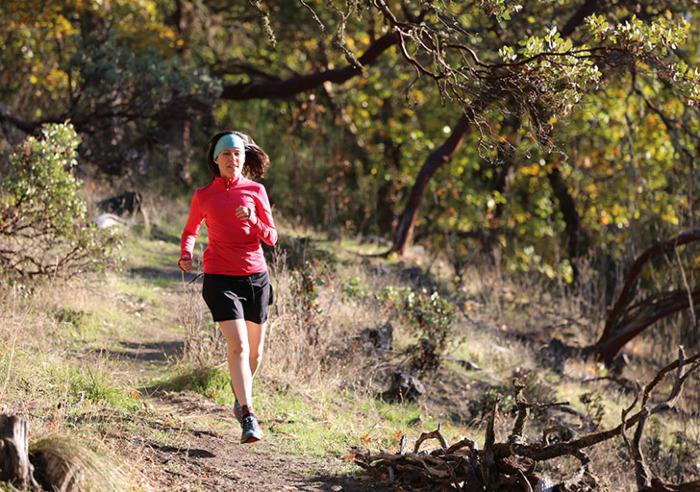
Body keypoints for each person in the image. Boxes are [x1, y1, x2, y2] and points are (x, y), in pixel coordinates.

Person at [178, 130, 278, 444]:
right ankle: (248, 415)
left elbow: (271, 238)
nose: (233, 160)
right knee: (239, 347)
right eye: (227, 155)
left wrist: (254, 219)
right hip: (220, 277)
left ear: (244, 157)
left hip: (256, 278)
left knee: (256, 354)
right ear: (216, 160)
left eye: (238, 154)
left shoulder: (256, 191)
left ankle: (239, 397)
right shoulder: (203, 195)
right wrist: (186, 253)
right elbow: (190, 230)